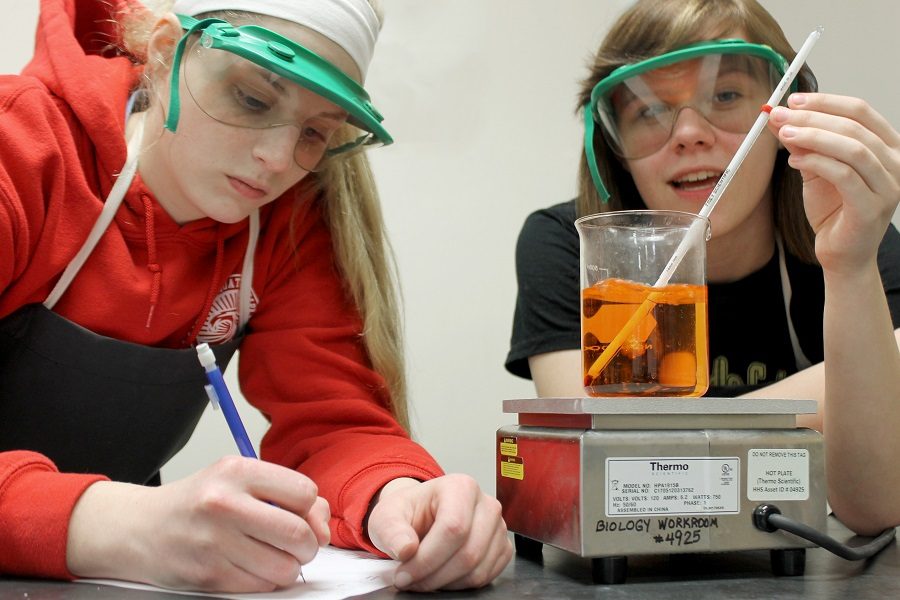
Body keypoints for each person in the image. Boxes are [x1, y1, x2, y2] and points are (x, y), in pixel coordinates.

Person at [0, 0, 511, 593]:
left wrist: (399, 496)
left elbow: (332, 421)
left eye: (315, 131)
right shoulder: (21, 150)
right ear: (166, 50)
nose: (276, 159)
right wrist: (116, 526)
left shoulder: (282, 218)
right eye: (251, 99)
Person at [506, 0, 900, 536]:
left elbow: (875, 507)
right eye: (648, 110)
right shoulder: (564, 245)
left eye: (728, 95)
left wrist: (850, 268)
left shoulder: (851, 238)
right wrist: (828, 395)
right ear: (612, 145)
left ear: (786, 117)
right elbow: (604, 446)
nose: (689, 132)